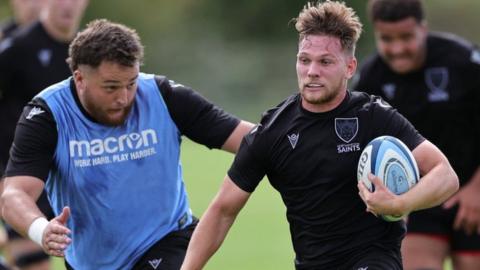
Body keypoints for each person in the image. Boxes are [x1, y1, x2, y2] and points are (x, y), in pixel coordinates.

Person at [180, 1, 459, 270]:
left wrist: (400, 203)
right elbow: (222, 211)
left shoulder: (373, 116)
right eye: (305, 60)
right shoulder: (274, 130)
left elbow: (445, 175)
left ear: (349, 68)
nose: (312, 71)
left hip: (374, 257)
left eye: (325, 61)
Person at [1, 18, 254, 270]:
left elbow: (250, 138)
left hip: (167, 239)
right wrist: (41, 229)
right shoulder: (48, 115)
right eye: (110, 87)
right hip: (89, 262)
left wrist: (291, 137)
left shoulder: (163, 96)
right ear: (79, 79)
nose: (123, 98)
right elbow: (14, 195)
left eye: (131, 83)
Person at [351, 0, 480, 269]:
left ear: (423, 28)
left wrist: (477, 188)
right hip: (415, 198)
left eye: (407, 37)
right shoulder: (370, 80)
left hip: (473, 188)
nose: (398, 49)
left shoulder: (464, 62)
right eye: (387, 39)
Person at [0, 0, 89, 269]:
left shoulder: (89, 52)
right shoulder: (16, 49)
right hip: (24, 179)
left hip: (76, 178)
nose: (68, 5)